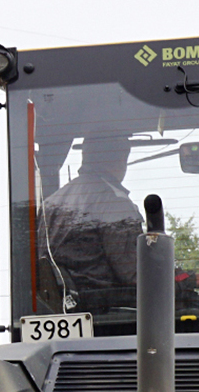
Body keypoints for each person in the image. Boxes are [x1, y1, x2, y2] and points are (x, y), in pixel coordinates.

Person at [41, 133, 141, 314]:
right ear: (120, 159)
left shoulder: (49, 204)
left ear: (85, 157)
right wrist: (186, 281)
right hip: (109, 311)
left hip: (66, 308)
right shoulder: (113, 201)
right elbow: (133, 273)